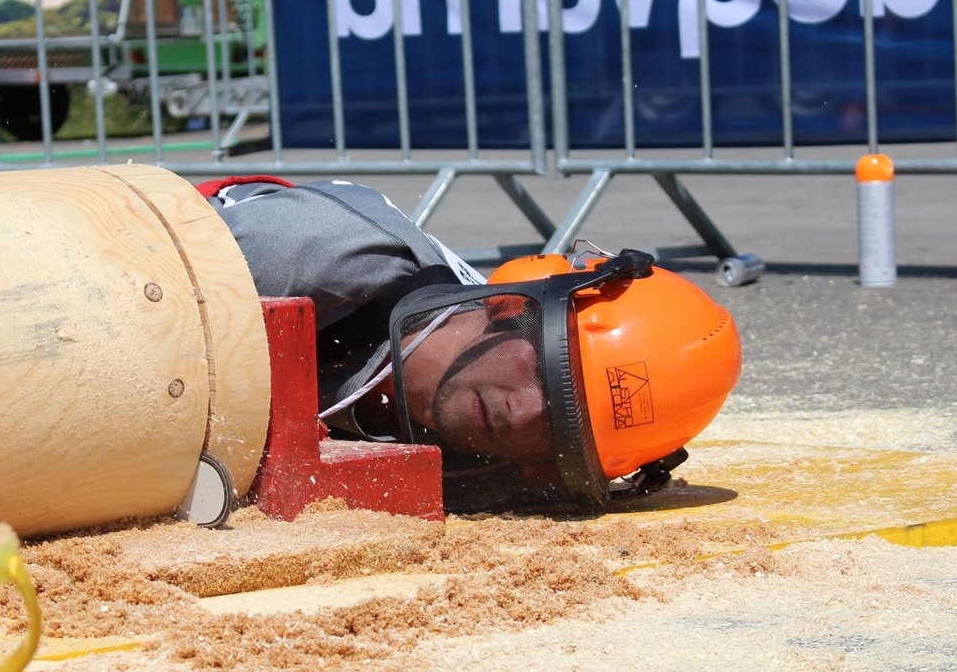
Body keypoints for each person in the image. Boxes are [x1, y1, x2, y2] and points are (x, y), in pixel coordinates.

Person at [204, 176, 742, 513]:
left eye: (560, 431)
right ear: (511, 308)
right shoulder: (319, 252)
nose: (522, 412)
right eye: (551, 376)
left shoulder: (503, 467)